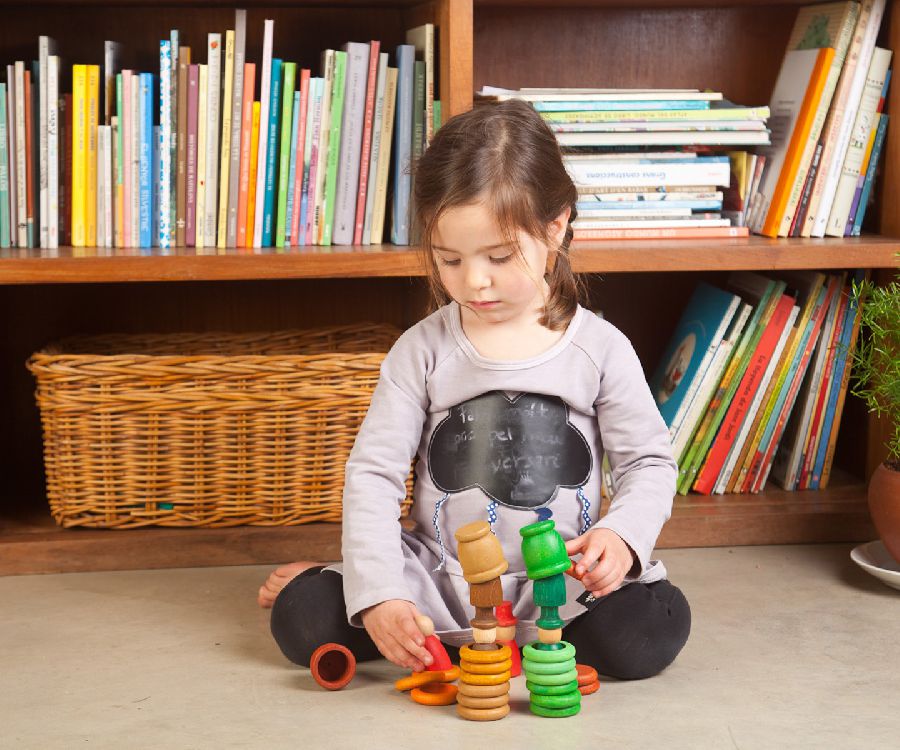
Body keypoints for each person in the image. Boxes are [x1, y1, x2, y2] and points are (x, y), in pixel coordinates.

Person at [261, 99, 691, 680]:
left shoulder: (600, 347)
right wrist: (381, 592)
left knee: (649, 630)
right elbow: (374, 474)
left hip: (562, 586)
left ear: (556, 226)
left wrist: (621, 538)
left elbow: (648, 462)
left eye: (497, 256)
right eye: (450, 260)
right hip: (438, 581)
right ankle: (359, 585)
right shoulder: (422, 349)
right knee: (304, 620)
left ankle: (533, 636)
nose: (474, 282)